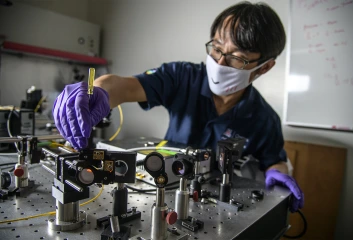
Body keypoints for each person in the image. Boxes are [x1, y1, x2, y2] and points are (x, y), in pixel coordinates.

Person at [53, 1, 304, 213]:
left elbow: (274, 161)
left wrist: (278, 175)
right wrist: (95, 91)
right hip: (163, 189)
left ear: (264, 67)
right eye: (216, 48)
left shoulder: (264, 118)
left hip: (219, 205)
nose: (219, 61)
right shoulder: (182, 76)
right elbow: (124, 86)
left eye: (236, 57)